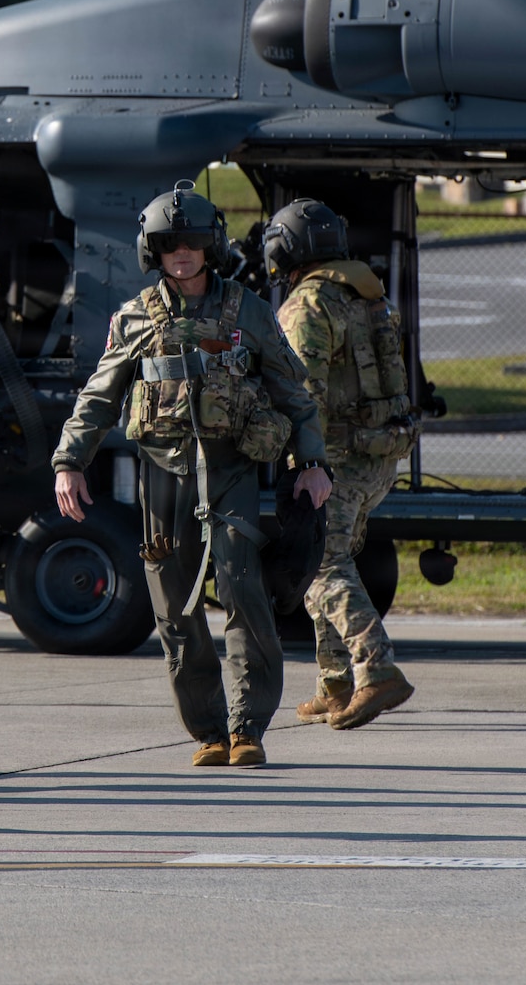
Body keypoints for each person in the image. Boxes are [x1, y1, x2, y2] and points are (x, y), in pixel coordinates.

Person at [53, 180, 331, 768]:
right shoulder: (134, 319)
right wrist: (69, 461)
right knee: (173, 603)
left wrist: (311, 464)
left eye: (194, 241)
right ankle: (208, 729)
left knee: (240, 586)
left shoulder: (248, 312)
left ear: (212, 246)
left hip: (231, 467)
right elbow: (99, 397)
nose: (182, 251)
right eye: (169, 242)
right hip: (163, 472)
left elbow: (294, 395)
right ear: (152, 251)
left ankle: (248, 727)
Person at [265, 199, 420, 730]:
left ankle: (377, 668)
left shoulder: (308, 304)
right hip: (377, 457)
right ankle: (334, 686)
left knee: (322, 568)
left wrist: (299, 456)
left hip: (332, 459)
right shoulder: (367, 295)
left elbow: (299, 389)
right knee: (331, 560)